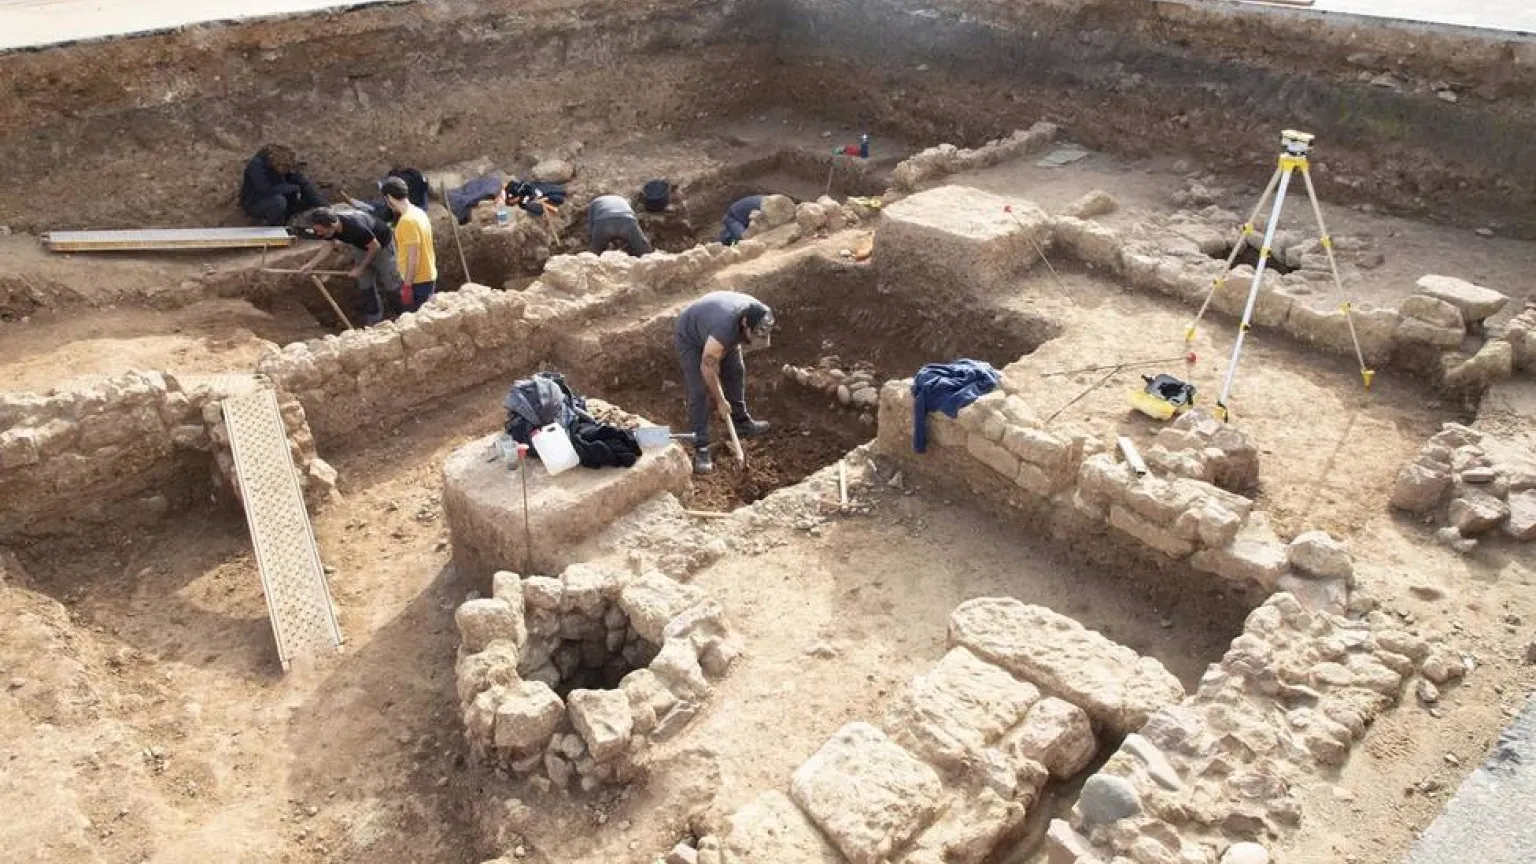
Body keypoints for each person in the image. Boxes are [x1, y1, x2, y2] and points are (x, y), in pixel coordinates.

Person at [674, 291, 775, 475]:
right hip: (691, 337)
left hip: (717, 328)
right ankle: (701, 446)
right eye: (754, 336)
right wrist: (720, 400)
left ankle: (741, 423)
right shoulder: (725, 328)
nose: (755, 342)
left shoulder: (759, 313)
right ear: (745, 324)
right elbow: (707, 367)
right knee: (699, 390)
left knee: (735, 371)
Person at [300, 207, 401, 326]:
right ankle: (374, 318)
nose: (318, 234)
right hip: (362, 247)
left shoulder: (354, 227)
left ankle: (402, 314)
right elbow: (328, 245)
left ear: (332, 225)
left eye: (321, 231)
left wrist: (360, 268)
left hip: (382, 247)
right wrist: (311, 264)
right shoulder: (330, 226)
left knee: (392, 284)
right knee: (365, 285)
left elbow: (375, 247)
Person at [383, 176, 438, 313]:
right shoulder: (418, 212)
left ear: (389, 198)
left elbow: (413, 258)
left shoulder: (407, 222)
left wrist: (407, 286)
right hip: (427, 276)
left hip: (418, 282)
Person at [240, 145, 325, 226]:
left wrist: (324, 207)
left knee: (307, 196)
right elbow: (266, 190)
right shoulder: (257, 166)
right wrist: (291, 188)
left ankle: (290, 221)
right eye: (286, 168)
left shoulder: (287, 165)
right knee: (279, 201)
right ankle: (271, 226)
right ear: (277, 165)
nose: (289, 171)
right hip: (255, 202)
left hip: (280, 196)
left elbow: (304, 184)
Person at [587, 194, 654, 256]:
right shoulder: (622, 199)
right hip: (627, 221)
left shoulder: (594, 203)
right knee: (645, 252)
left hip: (604, 222)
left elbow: (591, 226)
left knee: (594, 254)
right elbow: (634, 217)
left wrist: (594, 241)